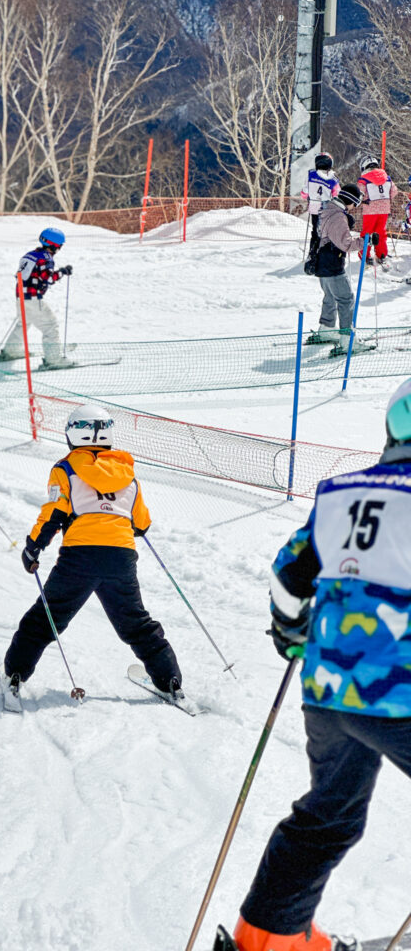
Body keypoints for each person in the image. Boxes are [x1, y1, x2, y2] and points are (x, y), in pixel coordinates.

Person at [217, 378, 411, 951]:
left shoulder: (343, 494)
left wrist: (290, 632)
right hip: (401, 695)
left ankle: (267, 938)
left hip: (328, 692)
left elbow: (289, 576)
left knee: (329, 814)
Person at [0, 403, 183, 704]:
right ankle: (170, 681)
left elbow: (53, 513)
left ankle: (15, 673)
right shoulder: (127, 474)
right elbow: (142, 523)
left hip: (80, 557)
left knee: (46, 617)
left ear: (72, 435)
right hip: (121, 557)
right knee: (135, 622)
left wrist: (33, 548)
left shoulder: (66, 469)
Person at [306, 183, 375, 354]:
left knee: (330, 296)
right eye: (355, 204)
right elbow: (346, 244)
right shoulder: (337, 216)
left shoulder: (327, 209)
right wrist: (365, 241)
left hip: (322, 261)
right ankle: (347, 340)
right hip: (332, 263)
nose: (354, 208)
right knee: (346, 299)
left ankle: (326, 329)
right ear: (350, 201)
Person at [0, 227, 74, 368]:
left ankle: (11, 351)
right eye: (60, 246)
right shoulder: (45, 259)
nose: (59, 249)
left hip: (21, 296)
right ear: (54, 245)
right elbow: (48, 279)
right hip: (33, 298)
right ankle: (54, 360)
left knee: (24, 322)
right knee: (50, 326)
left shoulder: (30, 255)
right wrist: (62, 272)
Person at [356, 154, 398, 268]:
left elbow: (359, 194)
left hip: (369, 210)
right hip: (384, 209)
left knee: (367, 233)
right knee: (381, 232)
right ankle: (381, 255)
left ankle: (364, 255)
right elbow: (394, 192)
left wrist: (362, 202)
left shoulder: (363, 179)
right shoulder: (387, 177)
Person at [301, 152, 340, 269]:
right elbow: (336, 195)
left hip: (314, 208)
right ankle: (324, 255)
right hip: (327, 210)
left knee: (315, 232)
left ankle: (312, 254)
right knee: (326, 233)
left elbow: (304, 193)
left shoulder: (311, 175)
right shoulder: (333, 179)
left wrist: (308, 196)